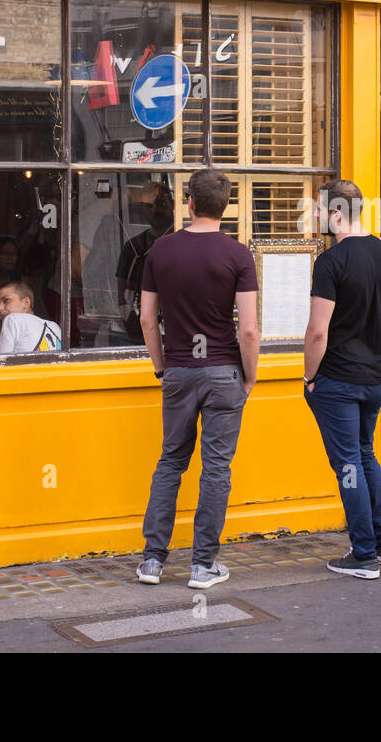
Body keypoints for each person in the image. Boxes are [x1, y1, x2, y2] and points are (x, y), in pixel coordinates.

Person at [136, 169, 260, 590]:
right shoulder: (239, 255)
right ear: (225, 207)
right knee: (216, 469)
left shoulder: (160, 251)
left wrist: (160, 366)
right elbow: (248, 329)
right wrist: (250, 376)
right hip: (224, 370)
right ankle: (202, 565)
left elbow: (147, 318)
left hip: (179, 369)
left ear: (188, 201)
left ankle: (152, 561)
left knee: (171, 460)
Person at [303, 179, 381, 580]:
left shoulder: (331, 262)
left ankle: (363, 554)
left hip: (338, 381)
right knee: (364, 455)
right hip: (375, 377)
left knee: (348, 463)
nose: (317, 217)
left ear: (338, 213)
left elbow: (317, 333)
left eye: (321, 210)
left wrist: (310, 377)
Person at [117, 181, 175, 344]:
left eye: (161, 203)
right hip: (147, 336)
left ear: (173, 204)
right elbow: (123, 299)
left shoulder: (187, 241)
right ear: (142, 211)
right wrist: (137, 332)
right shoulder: (134, 246)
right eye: (148, 206)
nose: (156, 209)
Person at [0, 281, 62, 353]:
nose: (0, 308)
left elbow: (0, 361)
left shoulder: (12, 319)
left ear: (26, 302)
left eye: (6, 300)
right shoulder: (54, 326)